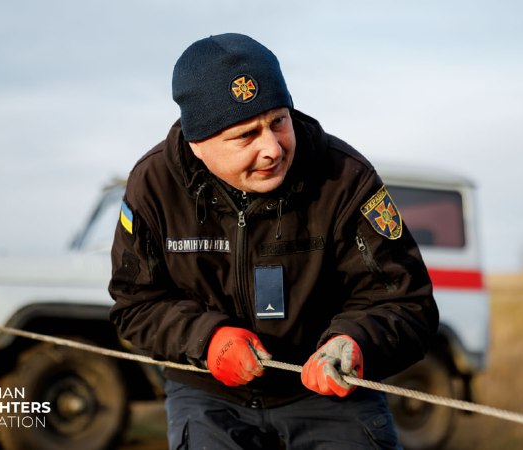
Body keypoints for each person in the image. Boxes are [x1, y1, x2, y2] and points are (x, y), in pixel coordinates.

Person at [109, 33, 438, 449]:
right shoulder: (153, 187)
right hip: (208, 394)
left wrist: (354, 342)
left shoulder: (345, 179)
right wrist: (206, 339)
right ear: (199, 145)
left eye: (278, 122)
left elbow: (406, 303)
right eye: (246, 136)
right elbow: (136, 304)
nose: (271, 149)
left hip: (328, 392)